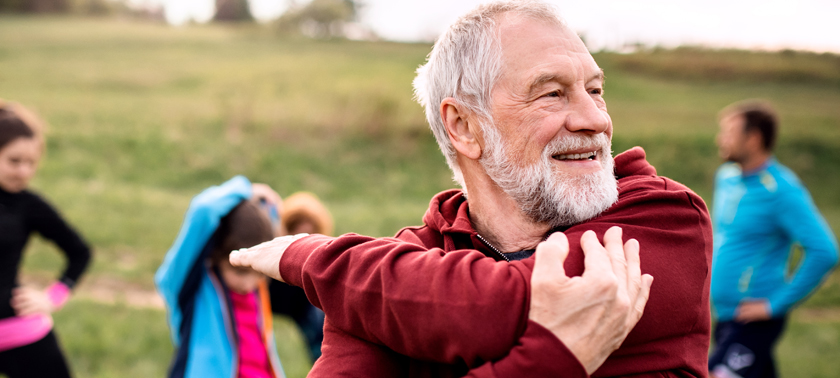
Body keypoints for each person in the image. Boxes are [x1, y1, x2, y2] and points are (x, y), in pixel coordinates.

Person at [232, 1, 713, 376]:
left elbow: (499, 306)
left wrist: (314, 258)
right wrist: (551, 357)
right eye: (552, 92)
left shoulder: (662, 217)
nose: (595, 119)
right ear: (463, 126)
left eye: (595, 89)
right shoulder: (392, 273)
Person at [708, 100, 838, 378]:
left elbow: (824, 251)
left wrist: (775, 305)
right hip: (724, 314)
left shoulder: (781, 189)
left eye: (729, 133)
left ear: (753, 139)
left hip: (753, 318)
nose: (721, 139)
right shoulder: (727, 178)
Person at [155, 176, 286, 378]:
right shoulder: (191, 288)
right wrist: (246, 189)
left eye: (259, 274)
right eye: (239, 272)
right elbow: (203, 210)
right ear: (215, 256)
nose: (248, 283)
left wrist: (266, 207)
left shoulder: (256, 292)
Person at [0, 100, 92, 378]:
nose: (24, 172)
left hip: (19, 332)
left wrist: (53, 297)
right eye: (14, 161)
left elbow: (80, 252)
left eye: (32, 163)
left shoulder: (30, 206)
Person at [268, 192, 331, 362]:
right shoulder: (267, 257)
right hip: (269, 296)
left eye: (309, 237)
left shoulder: (317, 267)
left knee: (322, 333)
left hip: (300, 303)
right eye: (295, 236)